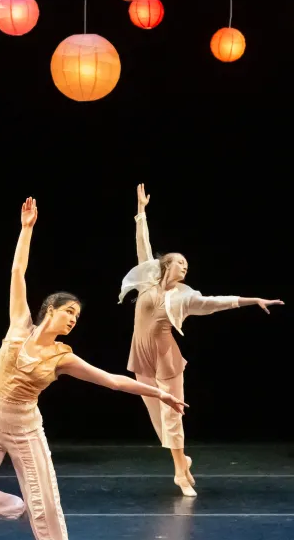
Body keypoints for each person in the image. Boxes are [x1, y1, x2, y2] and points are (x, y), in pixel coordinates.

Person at [0, 198, 187, 540]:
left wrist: (160, 394)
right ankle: (23, 509)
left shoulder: (63, 356)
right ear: (51, 310)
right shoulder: (19, 326)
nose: (74, 320)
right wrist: (26, 229)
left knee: (49, 499)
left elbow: (113, 381)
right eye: (70, 313)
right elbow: (17, 271)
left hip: (26, 427)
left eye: (77, 317)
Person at [119, 184, 284, 497]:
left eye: (187, 265)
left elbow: (215, 302)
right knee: (158, 419)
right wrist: (141, 212)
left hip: (167, 357)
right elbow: (143, 246)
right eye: (179, 262)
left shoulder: (186, 295)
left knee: (172, 414)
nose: (184, 266)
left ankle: (181, 472)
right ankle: (181, 459)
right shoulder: (147, 282)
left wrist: (252, 300)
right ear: (165, 264)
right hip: (140, 356)